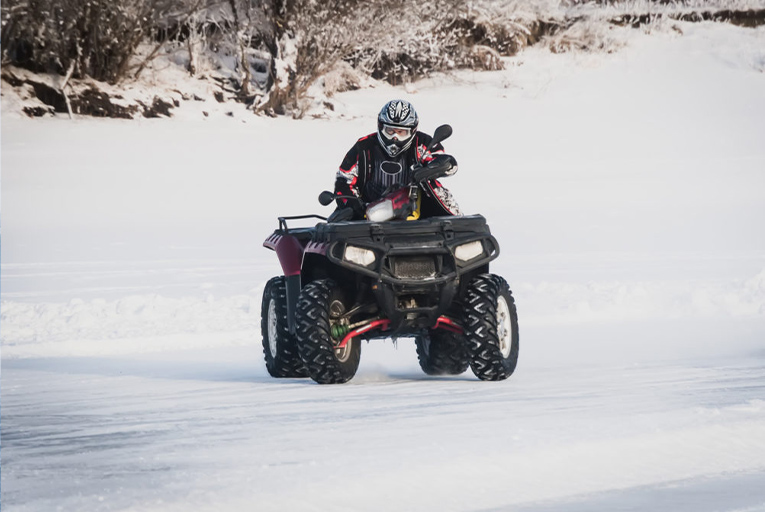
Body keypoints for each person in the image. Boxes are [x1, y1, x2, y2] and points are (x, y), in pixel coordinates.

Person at [334, 99, 461, 220]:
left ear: (412, 131)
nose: (395, 137)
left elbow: (448, 163)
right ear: (380, 127)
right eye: (390, 131)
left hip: (418, 211)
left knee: (448, 210)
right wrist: (355, 206)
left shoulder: (422, 143)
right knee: (339, 220)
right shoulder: (364, 146)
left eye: (401, 132)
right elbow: (344, 179)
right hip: (369, 214)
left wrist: (430, 169)